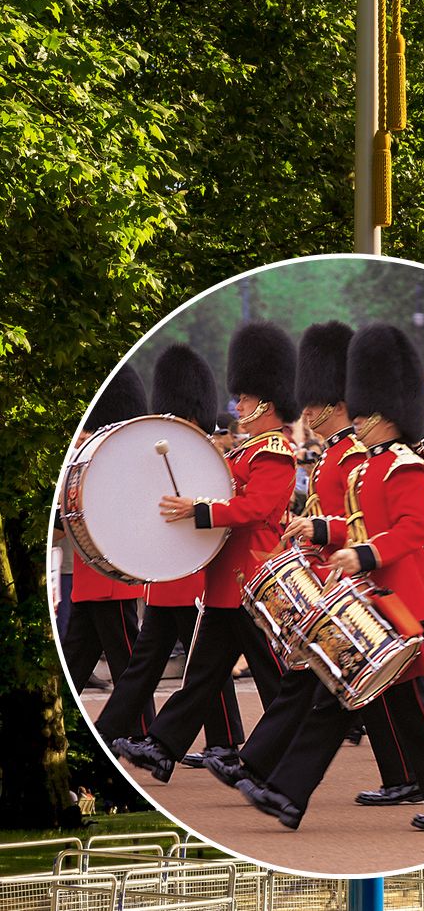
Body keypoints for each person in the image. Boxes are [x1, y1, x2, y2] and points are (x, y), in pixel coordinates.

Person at [241, 324, 424, 831]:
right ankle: (286, 794)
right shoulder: (366, 468)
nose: (359, 419)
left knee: (408, 710)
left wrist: (365, 556)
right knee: (346, 696)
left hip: (401, 604)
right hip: (368, 600)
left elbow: (414, 529)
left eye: (366, 413)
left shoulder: (405, 465)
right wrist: (321, 529)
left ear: (388, 415)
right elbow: (359, 524)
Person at [115, 323, 297, 782]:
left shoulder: (274, 454)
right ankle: (162, 747)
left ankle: (283, 755)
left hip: (252, 578)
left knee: (277, 680)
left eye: (245, 399)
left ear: (267, 404)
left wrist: (199, 511)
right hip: (224, 581)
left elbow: (254, 510)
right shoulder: (244, 451)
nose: (237, 406)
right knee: (200, 675)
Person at [94, 345, 246, 753]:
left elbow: (217, 507)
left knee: (202, 665)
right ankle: (109, 736)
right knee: (155, 665)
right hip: (165, 572)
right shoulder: (160, 447)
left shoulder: (210, 454)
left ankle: (225, 740)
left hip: (194, 570)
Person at [60, 366, 150, 696]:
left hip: (111, 576)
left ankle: (139, 732)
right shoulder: (94, 458)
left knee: (126, 664)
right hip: (89, 576)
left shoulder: (123, 462)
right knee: (75, 660)